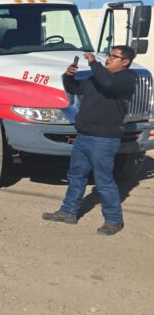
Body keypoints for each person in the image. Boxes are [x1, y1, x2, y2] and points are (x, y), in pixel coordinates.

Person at [42, 46, 137, 236]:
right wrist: (68, 76)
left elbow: (109, 84)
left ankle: (113, 220)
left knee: (103, 181)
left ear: (125, 62)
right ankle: (68, 212)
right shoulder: (97, 76)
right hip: (83, 136)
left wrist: (93, 62)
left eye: (113, 56)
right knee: (76, 176)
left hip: (104, 140)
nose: (108, 59)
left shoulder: (126, 79)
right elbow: (75, 88)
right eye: (108, 55)